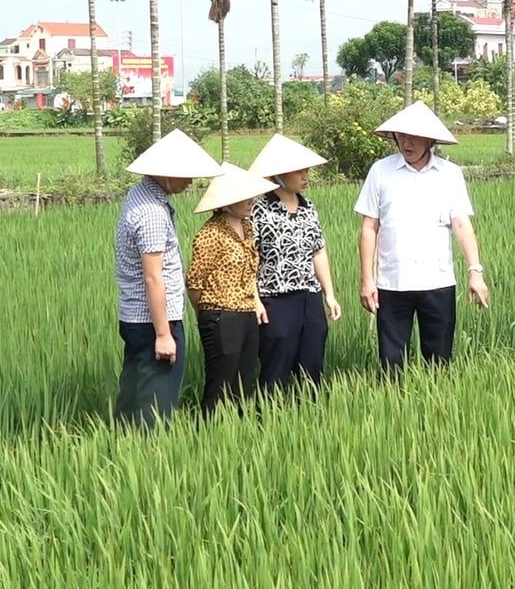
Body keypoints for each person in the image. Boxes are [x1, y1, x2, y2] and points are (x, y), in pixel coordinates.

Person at [354, 101, 490, 377]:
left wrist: (475, 271)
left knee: (439, 363)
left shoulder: (449, 174)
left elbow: (462, 225)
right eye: (402, 136)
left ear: (430, 140)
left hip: (438, 281)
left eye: (414, 137)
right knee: (391, 365)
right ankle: (393, 402)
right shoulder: (380, 171)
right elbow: (369, 228)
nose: (407, 143)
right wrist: (367, 279)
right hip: (392, 283)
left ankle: (437, 401)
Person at [114, 129, 223, 429]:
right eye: (186, 175)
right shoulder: (151, 212)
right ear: (167, 174)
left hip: (137, 319)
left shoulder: (140, 196)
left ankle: (121, 443)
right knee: (156, 406)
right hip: (154, 322)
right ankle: (151, 451)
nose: (191, 181)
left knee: (133, 394)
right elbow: (153, 277)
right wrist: (164, 334)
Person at [248, 134, 343, 392]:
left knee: (312, 362)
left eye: (306, 170)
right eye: (299, 171)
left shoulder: (307, 206)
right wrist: (255, 300)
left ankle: (310, 411)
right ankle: (270, 412)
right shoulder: (258, 209)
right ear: (279, 174)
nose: (305, 176)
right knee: (276, 365)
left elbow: (318, 251)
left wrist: (329, 295)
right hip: (275, 299)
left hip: (309, 297)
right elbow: (249, 258)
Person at [187, 164, 278, 414]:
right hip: (220, 315)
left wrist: (255, 302)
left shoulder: (247, 227)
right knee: (220, 381)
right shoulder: (210, 234)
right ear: (226, 202)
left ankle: (239, 429)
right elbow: (194, 282)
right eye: (244, 197)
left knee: (245, 381)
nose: (251, 201)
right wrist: (205, 313)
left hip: (246, 313)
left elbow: (250, 272)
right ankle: (207, 429)